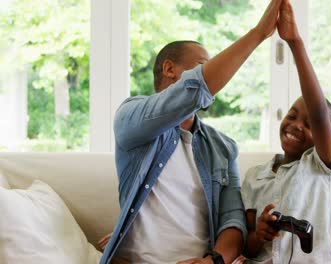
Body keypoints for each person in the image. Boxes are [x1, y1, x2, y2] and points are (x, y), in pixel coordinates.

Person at [98, 1, 285, 264]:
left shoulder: (223, 147)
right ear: (169, 69)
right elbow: (196, 88)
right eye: (202, 67)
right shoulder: (131, 118)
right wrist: (258, 34)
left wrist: (214, 261)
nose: (214, 75)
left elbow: (232, 220)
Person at [240, 1, 331, 263]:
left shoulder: (321, 168)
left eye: (309, 125)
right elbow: (247, 248)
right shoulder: (254, 177)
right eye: (292, 116)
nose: (296, 125)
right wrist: (259, 233)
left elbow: (319, 113)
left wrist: (295, 43)